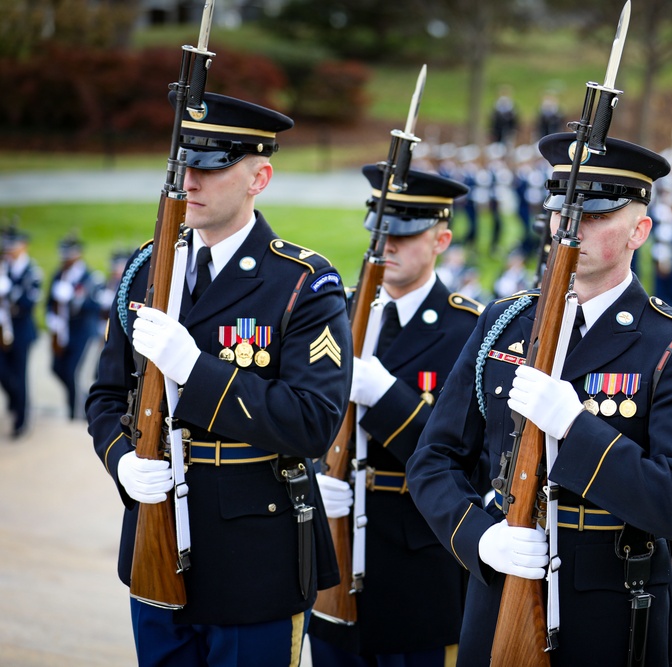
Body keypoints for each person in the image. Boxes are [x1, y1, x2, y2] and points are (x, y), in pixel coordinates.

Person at [406, 132, 672, 666]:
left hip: (615, 608)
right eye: (562, 212)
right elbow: (433, 461)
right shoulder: (505, 323)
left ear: (639, 231)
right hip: (503, 587)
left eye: (595, 215)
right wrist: (480, 540)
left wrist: (576, 429)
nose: (569, 228)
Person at [85, 92, 352, 666]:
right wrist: (122, 462)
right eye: (185, 166)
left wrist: (194, 369)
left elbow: (311, 422)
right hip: (153, 543)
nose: (191, 181)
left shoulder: (304, 283)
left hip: (254, 561)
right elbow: (106, 395)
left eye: (210, 167)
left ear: (260, 177)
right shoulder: (147, 269)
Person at [308, 166, 484, 667]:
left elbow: (469, 455)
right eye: (381, 232)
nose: (388, 245)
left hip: (416, 566)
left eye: (405, 234)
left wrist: (387, 396)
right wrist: (314, 473)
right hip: (334, 558)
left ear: (441, 239)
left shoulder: (468, 329)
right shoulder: (338, 314)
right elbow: (302, 418)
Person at [47, 232, 103, 419]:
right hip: (61, 332)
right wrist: (52, 319)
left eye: (69, 253)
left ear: (78, 254)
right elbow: (50, 301)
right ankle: (79, 399)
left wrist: (73, 299)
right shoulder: (58, 275)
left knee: (72, 371)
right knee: (56, 368)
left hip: (82, 332)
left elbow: (95, 305)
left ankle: (74, 411)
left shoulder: (89, 277)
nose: (66, 258)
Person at [0, 226, 42, 439]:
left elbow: (29, 302)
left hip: (21, 331)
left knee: (20, 374)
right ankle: (16, 402)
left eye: (13, 244)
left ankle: (21, 420)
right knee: (4, 373)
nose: (8, 249)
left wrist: (10, 293)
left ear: (23, 245)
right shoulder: (3, 268)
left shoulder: (31, 271)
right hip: (2, 330)